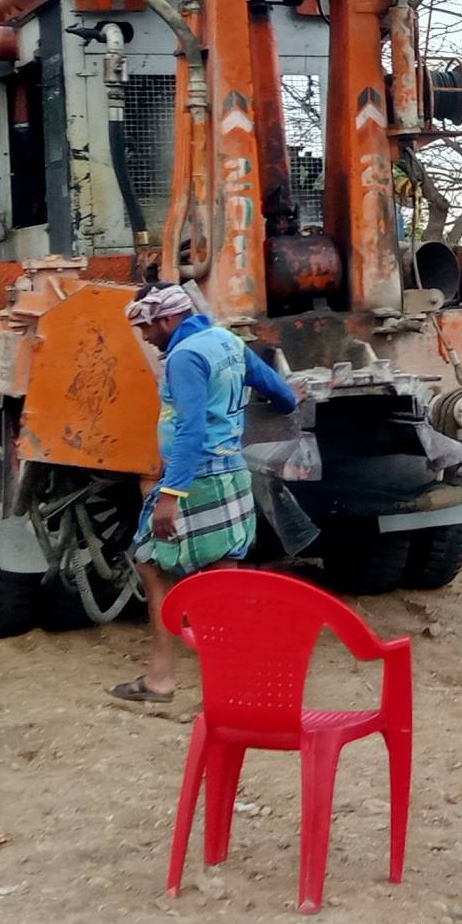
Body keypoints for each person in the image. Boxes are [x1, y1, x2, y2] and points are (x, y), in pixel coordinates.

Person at [110, 284, 300, 704]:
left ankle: (161, 678)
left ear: (167, 320)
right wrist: (285, 405)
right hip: (232, 474)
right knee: (221, 580)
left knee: (152, 565)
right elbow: (282, 393)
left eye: (146, 327)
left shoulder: (185, 356)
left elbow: (190, 430)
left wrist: (170, 495)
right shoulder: (227, 341)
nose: (145, 336)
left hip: (197, 479)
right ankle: (232, 684)